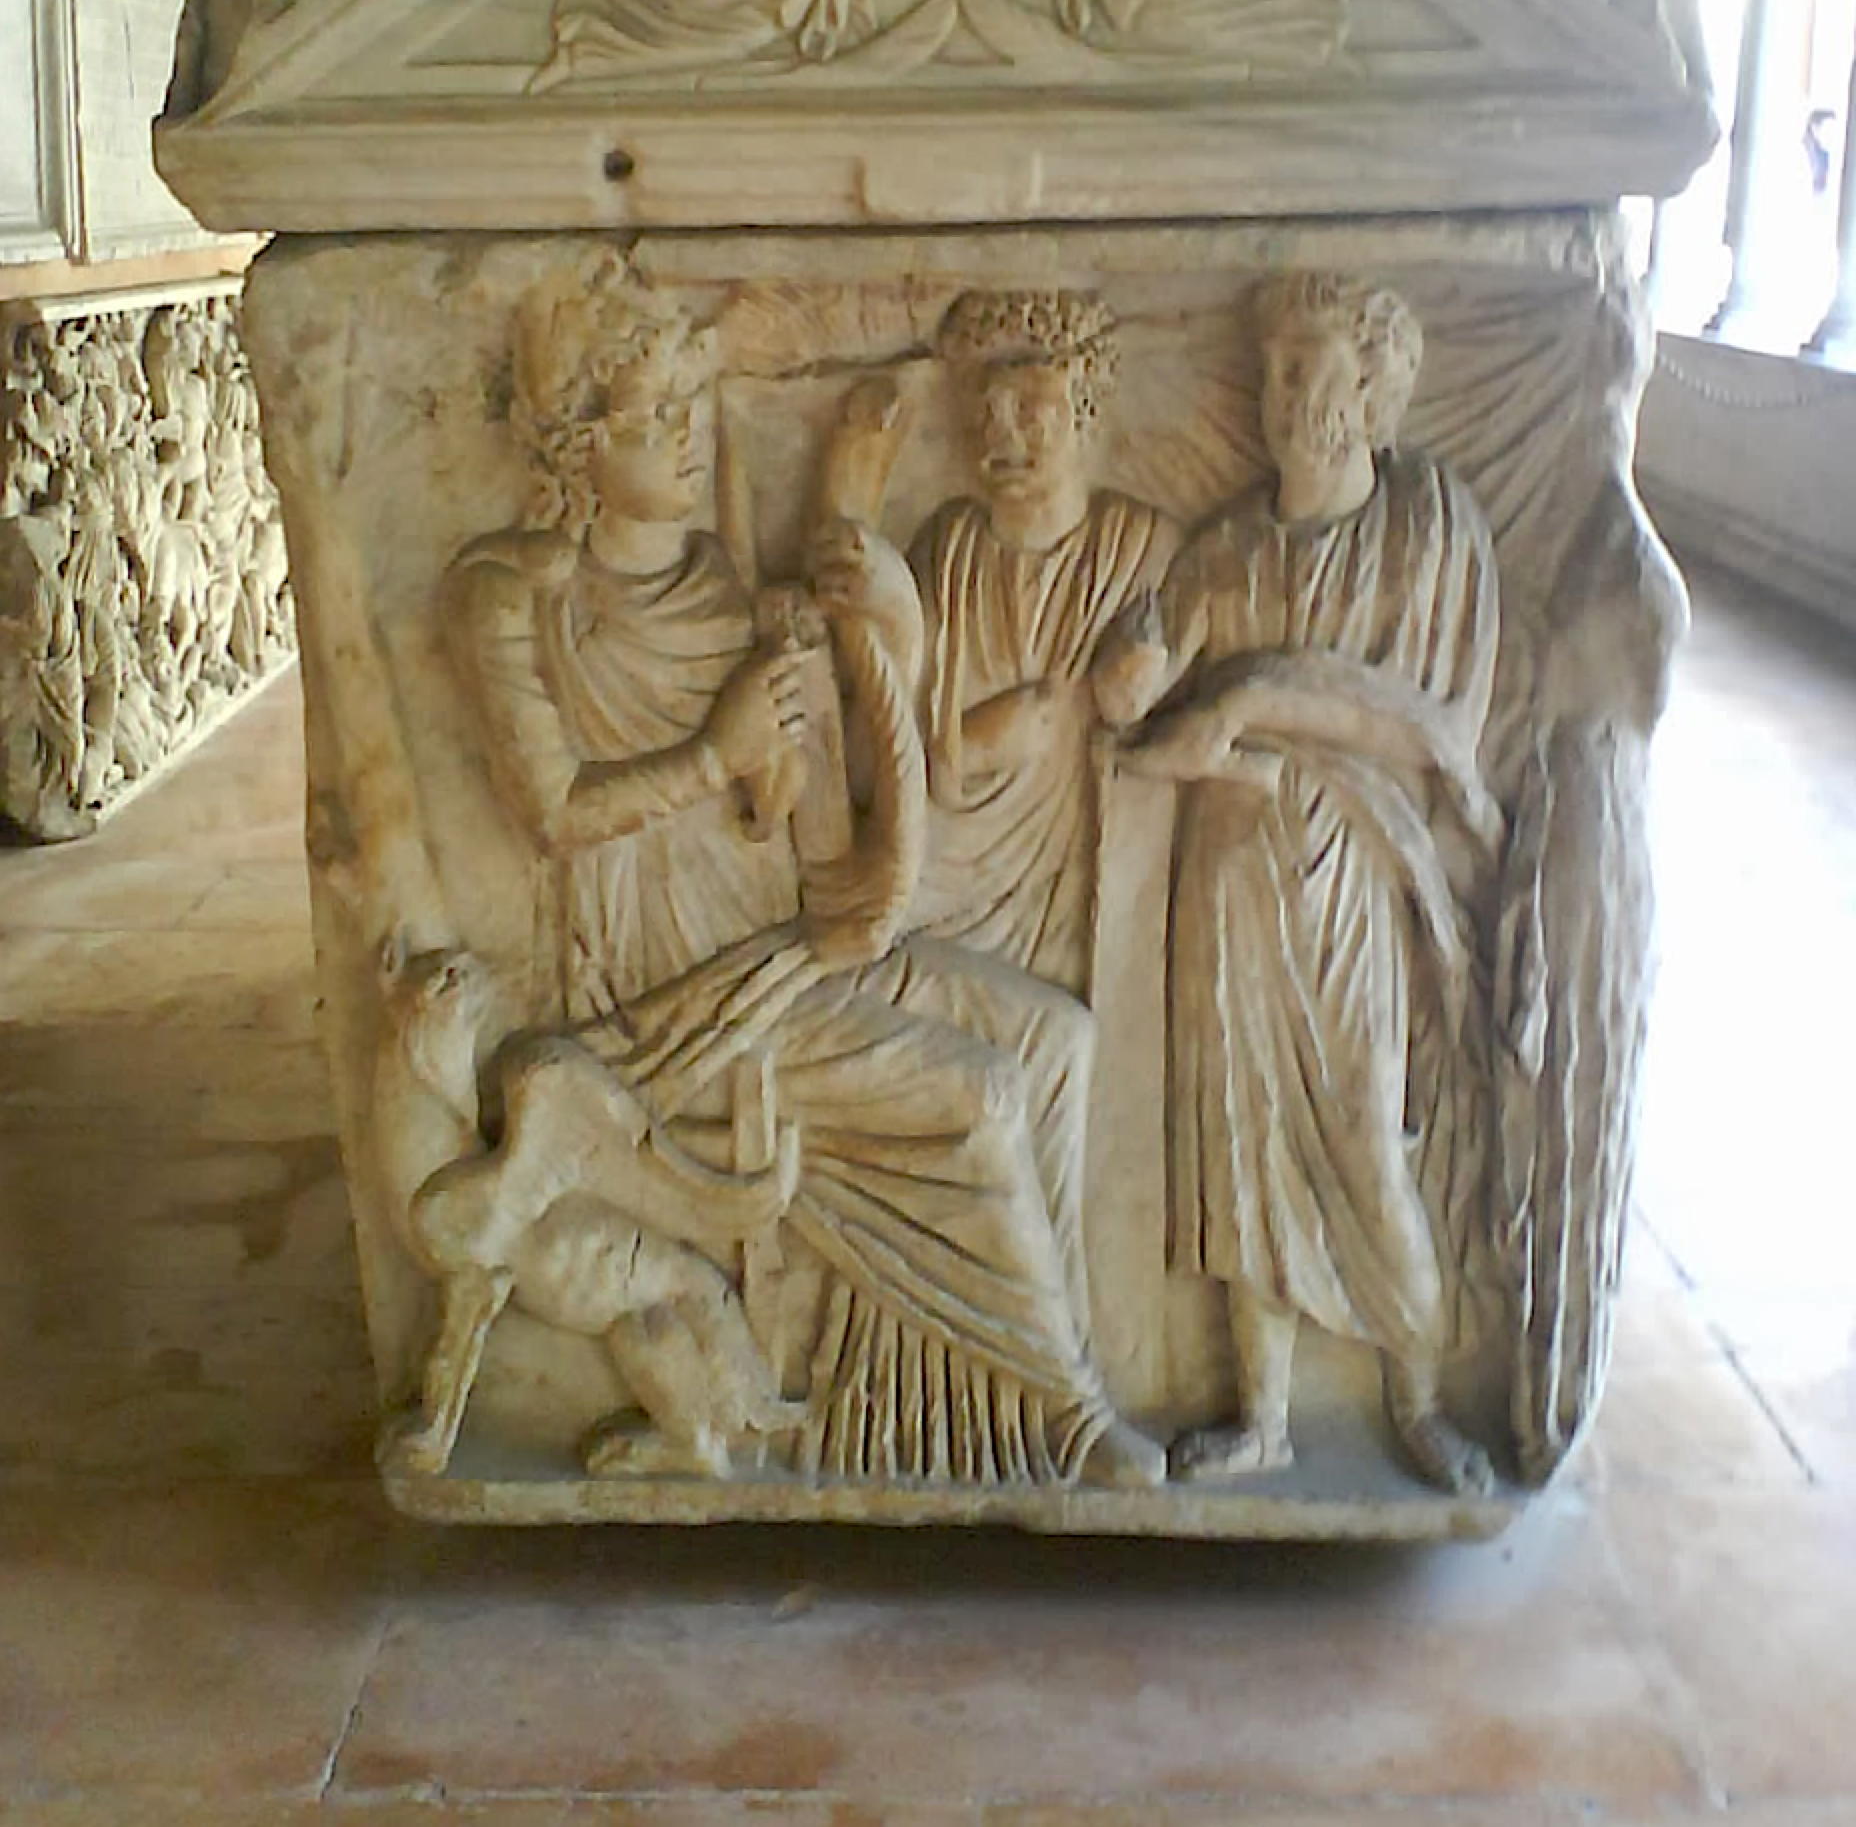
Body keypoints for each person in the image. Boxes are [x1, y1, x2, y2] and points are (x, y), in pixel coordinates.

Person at [420, 256, 1160, 1488]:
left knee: (1057, 1041)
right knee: (980, 1095)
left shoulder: (717, 585)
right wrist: (716, 755)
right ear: (575, 445)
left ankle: (1046, 1376)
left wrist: (824, 691)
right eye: (648, 417)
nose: (681, 434)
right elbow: (549, 813)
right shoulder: (508, 597)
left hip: (779, 957)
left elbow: (800, 833)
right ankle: (1073, 1417)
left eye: (685, 407)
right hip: (666, 1004)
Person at [1096, 271, 1501, 1493]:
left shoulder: (1424, 533)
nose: (1279, 393)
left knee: (1366, 1135)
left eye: (1304, 364)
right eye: (1269, 368)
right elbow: (1138, 691)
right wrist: (1132, 673)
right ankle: (1261, 1414)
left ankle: (1419, 1397)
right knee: (1240, 1146)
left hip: (1358, 878)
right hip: (1228, 878)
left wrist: (1253, 693)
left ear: (1370, 382)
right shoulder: (1224, 548)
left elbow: (1434, 731)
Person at [910, 288, 1179, 993]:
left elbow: (1174, 727)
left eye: (1029, 410)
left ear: (1084, 411)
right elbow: (885, 734)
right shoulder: (947, 550)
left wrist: (1131, 700)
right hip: (944, 885)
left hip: (1081, 892)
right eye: (985, 413)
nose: (1001, 436)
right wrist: (966, 747)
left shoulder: (1142, 549)